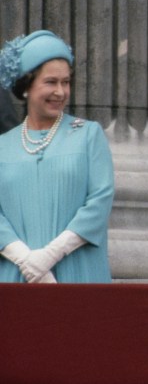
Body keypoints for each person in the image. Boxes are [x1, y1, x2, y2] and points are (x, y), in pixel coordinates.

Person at [0, 30, 114, 283]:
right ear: (26, 86)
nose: (61, 92)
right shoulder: (3, 145)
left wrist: (50, 255)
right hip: (16, 274)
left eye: (66, 82)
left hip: (77, 272)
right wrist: (27, 261)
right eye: (51, 82)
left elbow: (99, 201)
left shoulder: (88, 135)